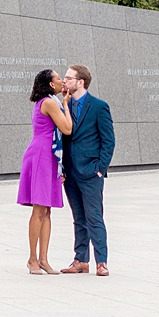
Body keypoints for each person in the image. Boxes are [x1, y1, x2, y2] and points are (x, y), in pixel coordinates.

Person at [58, 64, 115, 276]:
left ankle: (102, 261)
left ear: (80, 82)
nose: (64, 81)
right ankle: (80, 259)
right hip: (70, 172)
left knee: (95, 217)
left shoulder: (99, 107)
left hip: (91, 172)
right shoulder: (63, 105)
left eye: (69, 78)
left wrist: (100, 169)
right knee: (78, 217)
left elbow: (108, 141)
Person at [18, 69, 72, 275]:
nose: (62, 81)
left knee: (47, 210)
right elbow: (67, 129)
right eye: (59, 78)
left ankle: (44, 259)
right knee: (39, 210)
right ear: (51, 84)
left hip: (48, 156)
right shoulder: (49, 103)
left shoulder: (50, 101)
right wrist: (66, 105)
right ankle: (32, 259)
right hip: (41, 155)